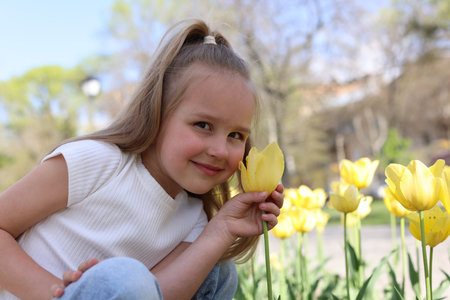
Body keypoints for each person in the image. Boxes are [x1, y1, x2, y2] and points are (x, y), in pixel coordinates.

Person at [0, 19, 283, 300]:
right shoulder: (98, 162)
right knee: (126, 276)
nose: (220, 150)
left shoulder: (193, 218)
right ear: (157, 113)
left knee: (217, 269)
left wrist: (221, 229)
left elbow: (157, 295)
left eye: (235, 135)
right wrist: (56, 293)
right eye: (203, 125)